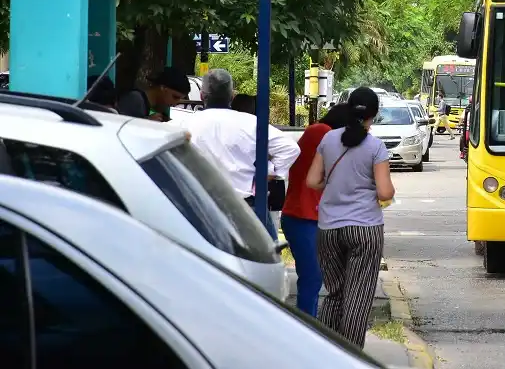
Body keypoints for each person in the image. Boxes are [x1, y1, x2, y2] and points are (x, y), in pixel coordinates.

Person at [306, 87, 396, 348]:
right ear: (374, 114)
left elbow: (312, 181)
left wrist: (334, 185)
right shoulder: (376, 146)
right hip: (365, 228)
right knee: (358, 297)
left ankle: (326, 353)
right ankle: (352, 358)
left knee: (334, 293)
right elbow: (384, 192)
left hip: (329, 228)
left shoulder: (328, 139)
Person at [184, 69, 299, 240]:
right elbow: (290, 148)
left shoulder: (186, 124)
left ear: (202, 96)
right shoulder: (250, 123)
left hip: (203, 207)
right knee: (264, 254)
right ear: (232, 96)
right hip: (246, 209)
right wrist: (269, 173)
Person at [281, 103, 350, 317]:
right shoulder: (321, 132)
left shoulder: (321, 133)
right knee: (312, 277)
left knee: (314, 277)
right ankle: (305, 325)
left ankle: (308, 322)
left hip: (311, 216)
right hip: (303, 216)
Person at [117, 66, 190, 121]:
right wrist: (147, 122)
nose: (175, 103)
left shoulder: (151, 108)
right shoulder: (135, 99)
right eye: (175, 97)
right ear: (163, 88)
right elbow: (118, 126)